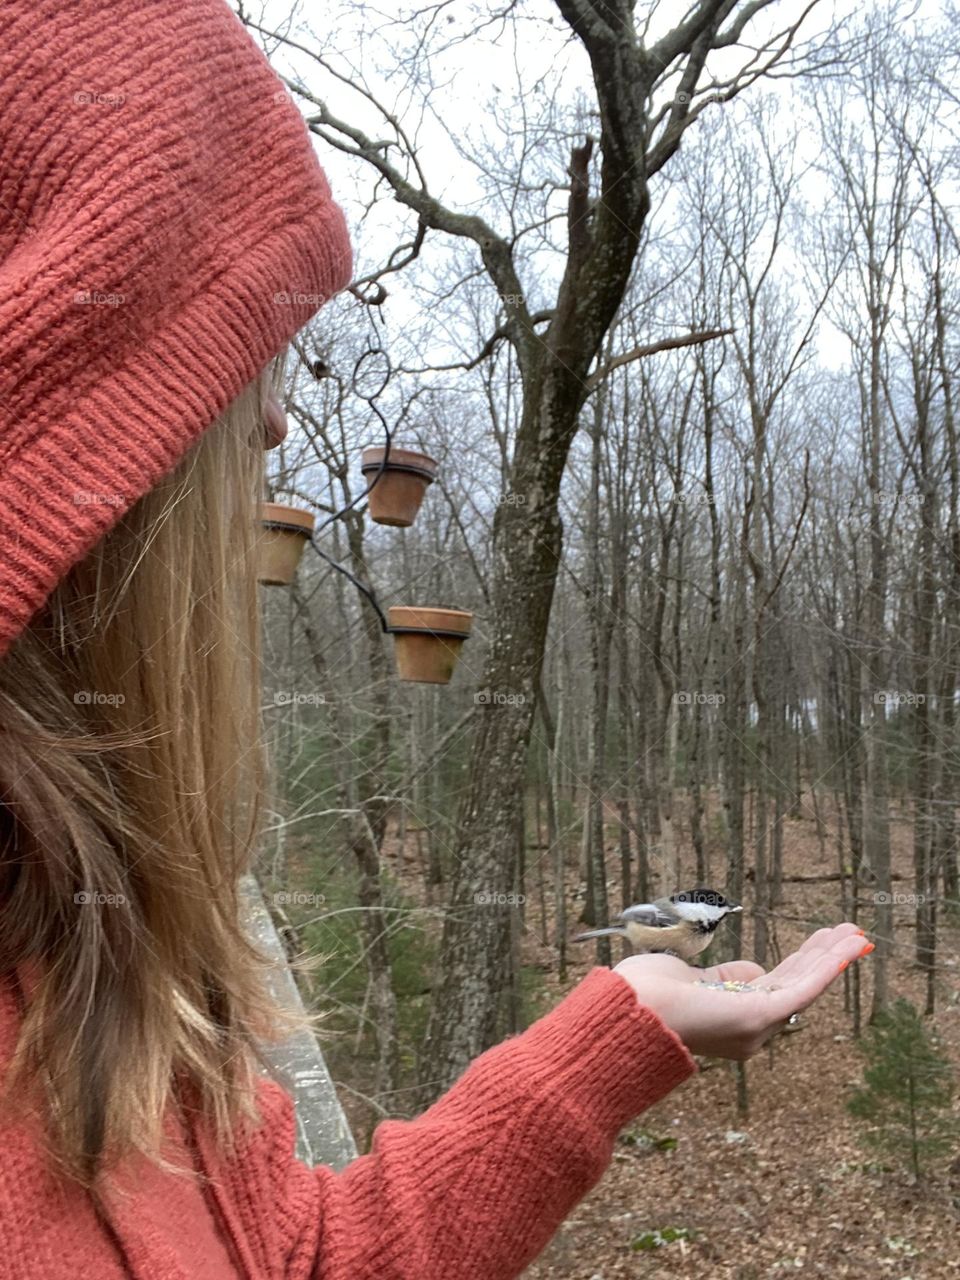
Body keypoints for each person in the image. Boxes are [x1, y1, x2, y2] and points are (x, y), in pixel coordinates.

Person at [0, 3, 874, 1277]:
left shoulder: (92, 916)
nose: (277, 422)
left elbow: (295, 1254)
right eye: (231, 340)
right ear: (53, 382)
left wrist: (608, 1038)